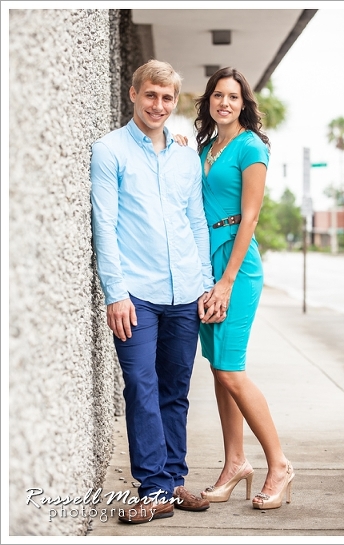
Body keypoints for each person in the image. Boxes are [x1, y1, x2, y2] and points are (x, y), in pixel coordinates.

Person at [90, 59, 214, 523]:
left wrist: (203, 283)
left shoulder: (185, 156)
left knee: (175, 389)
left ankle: (174, 480)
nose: (158, 105)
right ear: (134, 94)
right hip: (136, 293)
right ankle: (152, 488)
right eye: (150, 95)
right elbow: (104, 224)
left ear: (174, 101)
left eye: (167, 98)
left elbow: (196, 222)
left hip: (185, 290)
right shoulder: (109, 151)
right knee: (141, 386)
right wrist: (114, 293)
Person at [191, 67, 294, 510]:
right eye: (218, 95)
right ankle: (235, 463)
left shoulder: (251, 147)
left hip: (237, 265)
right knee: (218, 368)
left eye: (233, 96)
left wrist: (227, 282)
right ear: (209, 102)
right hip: (206, 263)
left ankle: (280, 465)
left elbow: (249, 218)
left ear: (243, 103)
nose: (225, 103)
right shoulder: (205, 148)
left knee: (232, 368)